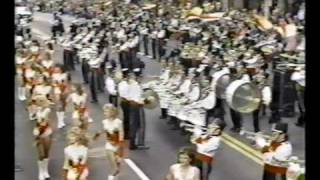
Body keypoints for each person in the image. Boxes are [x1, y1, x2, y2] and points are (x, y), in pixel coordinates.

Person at [94, 104, 125, 179]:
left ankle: (116, 174)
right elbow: (104, 130)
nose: (104, 113)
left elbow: (121, 133)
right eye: (104, 112)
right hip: (109, 144)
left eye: (106, 112)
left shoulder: (118, 122)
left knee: (117, 161)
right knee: (111, 158)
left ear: (112, 112)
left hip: (118, 144)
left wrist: (120, 145)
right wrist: (97, 135)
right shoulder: (104, 122)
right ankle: (114, 171)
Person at [32, 96, 53, 180]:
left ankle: (45, 170)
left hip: (47, 132)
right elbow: (37, 121)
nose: (38, 102)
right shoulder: (37, 109)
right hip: (39, 132)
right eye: (38, 101)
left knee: (46, 152)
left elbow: (45, 118)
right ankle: (40, 172)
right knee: (41, 154)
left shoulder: (47, 110)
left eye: (41, 101)